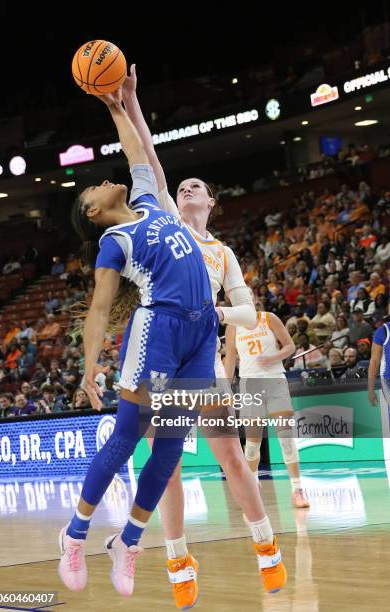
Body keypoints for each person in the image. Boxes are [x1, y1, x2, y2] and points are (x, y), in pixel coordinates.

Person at [121, 65, 287, 606]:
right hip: (161, 359)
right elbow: (148, 160)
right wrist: (127, 104)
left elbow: (250, 311)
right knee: (163, 464)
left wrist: (213, 313)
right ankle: (177, 557)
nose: (187, 188)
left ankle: (266, 547)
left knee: (232, 458)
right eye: (183, 186)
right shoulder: (168, 226)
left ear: (211, 203)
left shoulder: (222, 253)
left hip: (203, 363)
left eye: (199, 187)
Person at [58, 86, 222, 602]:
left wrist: (117, 107)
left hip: (201, 335)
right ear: (93, 213)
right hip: (160, 336)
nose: (105, 181)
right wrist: (89, 366)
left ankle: (128, 542)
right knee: (128, 437)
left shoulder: (149, 200)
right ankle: (76, 533)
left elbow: (134, 153)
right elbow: (102, 309)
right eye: (94, 189)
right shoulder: (114, 242)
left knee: (171, 447)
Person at [224, 293, 309, 508]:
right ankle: (252, 487)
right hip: (250, 385)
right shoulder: (233, 327)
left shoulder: (269, 318)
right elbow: (231, 358)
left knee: (286, 438)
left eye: (246, 296)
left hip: (275, 381)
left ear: (251, 299)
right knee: (252, 444)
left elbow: (289, 346)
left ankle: (297, 489)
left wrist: (273, 358)